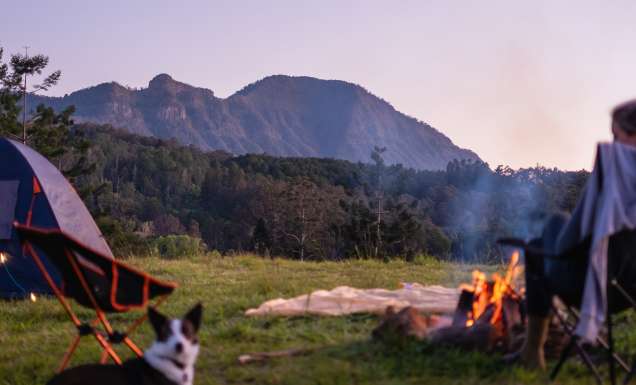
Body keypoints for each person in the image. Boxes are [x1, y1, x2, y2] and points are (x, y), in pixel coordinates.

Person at [511, 99, 636, 370]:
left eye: (616, 135)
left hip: (594, 288)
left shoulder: (614, 167)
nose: (613, 141)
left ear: (630, 134)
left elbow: (568, 242)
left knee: (549, 230)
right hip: (632, 291)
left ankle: (532, 352)